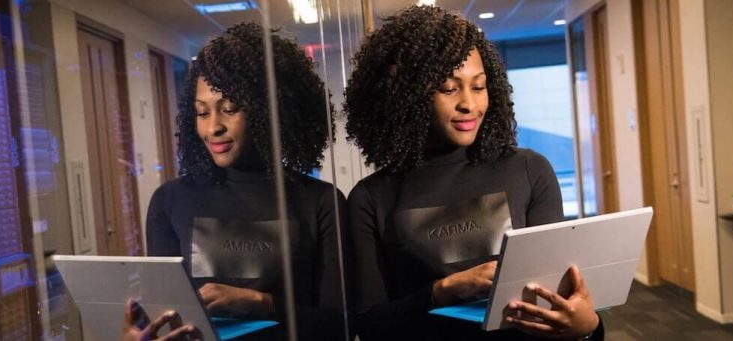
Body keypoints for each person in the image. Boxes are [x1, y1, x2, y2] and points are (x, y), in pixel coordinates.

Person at [343, 6, 604, 340]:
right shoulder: (372, 197)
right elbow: (369, 323)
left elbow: (558, 299)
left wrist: (588, 329)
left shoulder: (529, 170)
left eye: (478, 87)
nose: (469, 103)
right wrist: (442, 290)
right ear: (406, 98)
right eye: (450, 89)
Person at [133, 22, 350, 340]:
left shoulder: (319, 201)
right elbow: (165, 315)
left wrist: (261, 304)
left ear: (268, 111)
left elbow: (340, 325)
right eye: (202, 112)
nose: (213, 127)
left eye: (229, 109)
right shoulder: (170, 201)